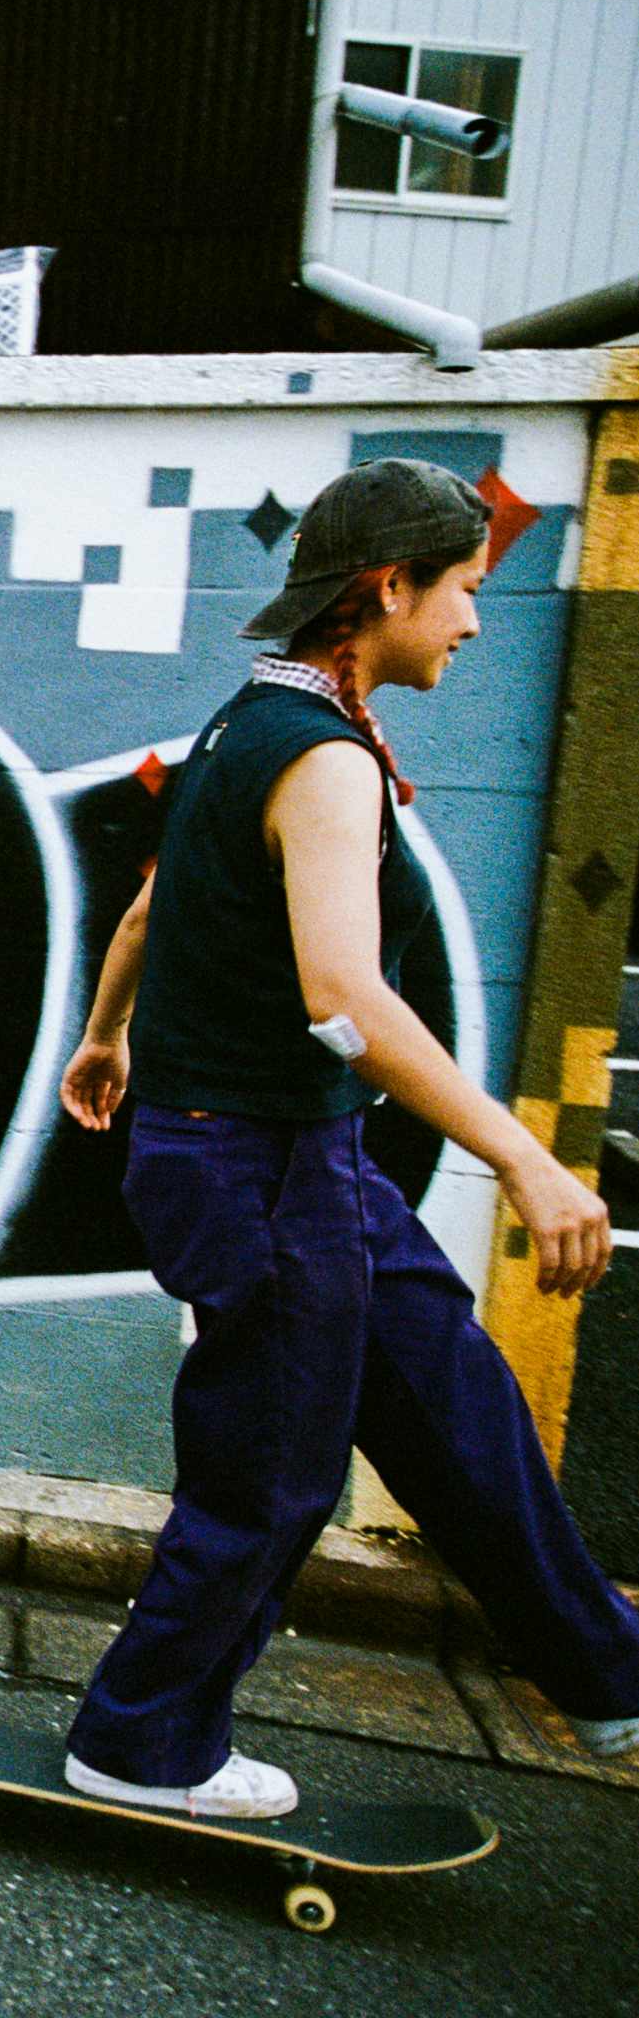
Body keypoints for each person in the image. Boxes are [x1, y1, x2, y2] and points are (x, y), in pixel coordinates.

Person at [56, 457, 639, 1816]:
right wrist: (526, 1156)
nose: (473, 624)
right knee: (272, 1476)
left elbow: (151, 909)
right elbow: (347, 999)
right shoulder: (321, 758)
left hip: (301, 1157)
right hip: (254, 1165)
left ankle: (608, 1673)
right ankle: (137, 1743)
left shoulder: (252, 722)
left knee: (455, 1403)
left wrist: (106, 1037)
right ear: (387, 587)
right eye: (462, 594)